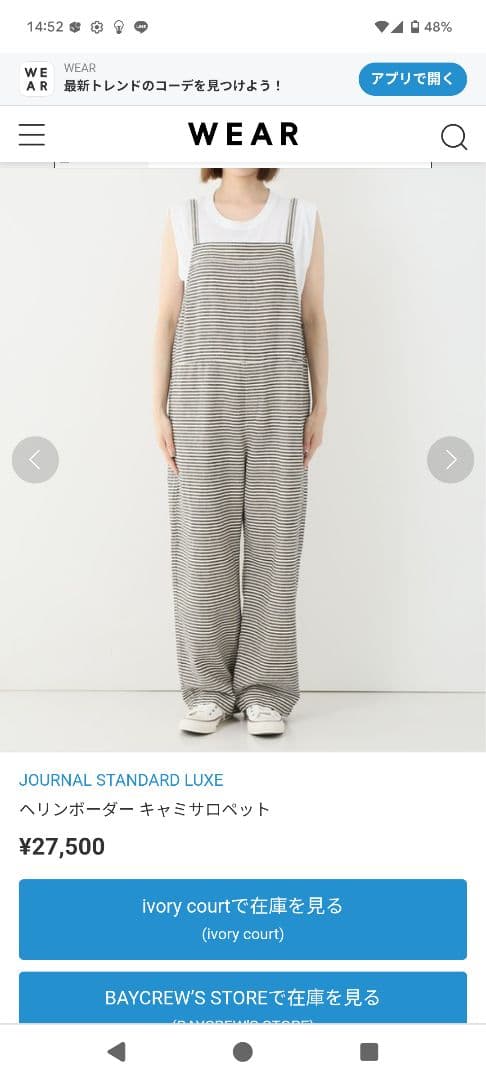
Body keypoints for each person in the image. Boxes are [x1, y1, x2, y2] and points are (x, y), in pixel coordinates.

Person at [153, 168, 328, 735]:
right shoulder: (185, 217)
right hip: (200, 399)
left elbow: (312, 317)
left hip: (280, 396)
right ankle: (207, 690)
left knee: (277, 542)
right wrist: (156, 407)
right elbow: (167, 317)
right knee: (203, 543)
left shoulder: (301, 217)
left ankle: (266, 692)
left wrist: (320, 404)